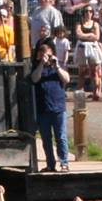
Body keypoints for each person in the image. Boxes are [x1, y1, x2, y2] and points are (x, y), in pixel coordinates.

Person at [29, 42, 71, 172]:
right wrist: (42, 64)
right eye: (43, 55)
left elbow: (67, 79)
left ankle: (64, 163)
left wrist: (56, 66)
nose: (46, 58)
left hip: (58, 108)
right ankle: (50, 164)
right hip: (43, 109)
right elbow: (34, 79)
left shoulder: (58, 67)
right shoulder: (36, 68)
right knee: (46, 140)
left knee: (61, 137)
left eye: (48, 55)